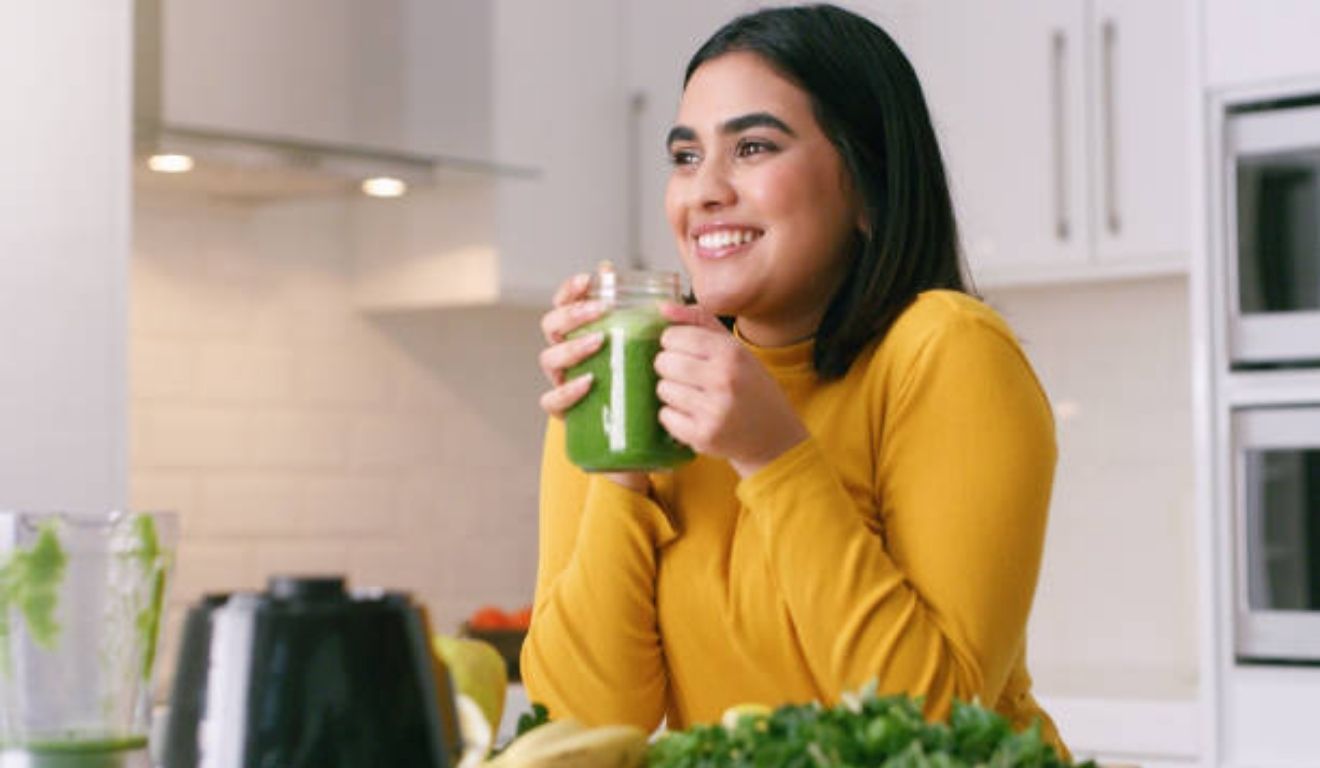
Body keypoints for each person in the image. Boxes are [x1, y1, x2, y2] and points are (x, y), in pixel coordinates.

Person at [523, 3, 1068, 756]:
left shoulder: (945, 350)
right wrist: (621, 466)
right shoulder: (630, 373)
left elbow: (932, 727)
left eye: (752, 147)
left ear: (868, 189)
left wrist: (772, 454)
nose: (704, 190)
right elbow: (578, 727)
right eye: (685, 157)